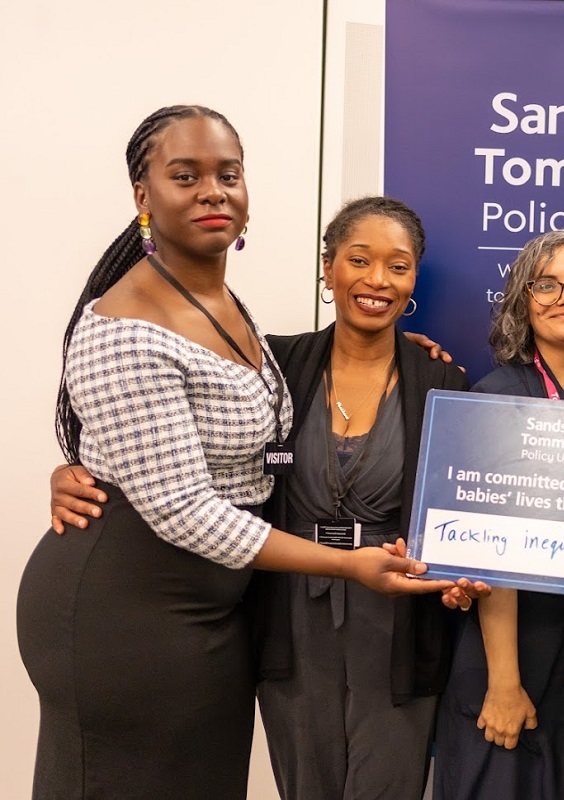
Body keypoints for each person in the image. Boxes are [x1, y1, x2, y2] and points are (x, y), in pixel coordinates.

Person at [21, 106, 476, 800]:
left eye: (227, 174)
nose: (213, 190)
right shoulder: (130, 323)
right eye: (186, 175)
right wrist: (78, 472)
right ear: (143, 196)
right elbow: (181, 507)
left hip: (221, 617)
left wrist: (401, 361)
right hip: (136, 609)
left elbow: (202, 436)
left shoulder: (231, 312)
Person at [433, 230, 564, 800]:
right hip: (515, 642)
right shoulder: (495, 397)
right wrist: (504, 682)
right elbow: (488, 550)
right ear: (524, 301)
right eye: (545, 284)